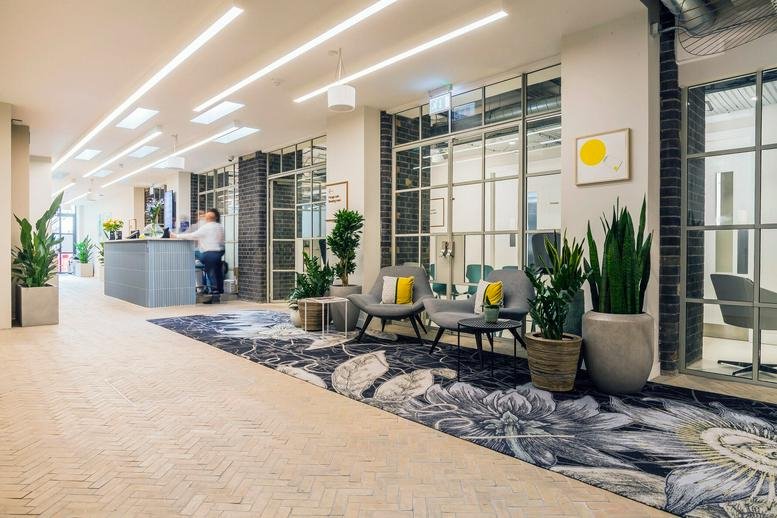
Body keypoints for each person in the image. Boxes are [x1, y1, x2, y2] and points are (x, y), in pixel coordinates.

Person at [172, 209, 225, 303]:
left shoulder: (206, 227)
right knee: (216, 272)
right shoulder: (219, 226)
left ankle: (214, 294)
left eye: (203, 215)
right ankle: (216, 292)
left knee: (211, 272)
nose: (200, 216)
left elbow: (192, 235)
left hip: (209, 253)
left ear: (207, 218)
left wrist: (176, 236)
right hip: (219, 253)